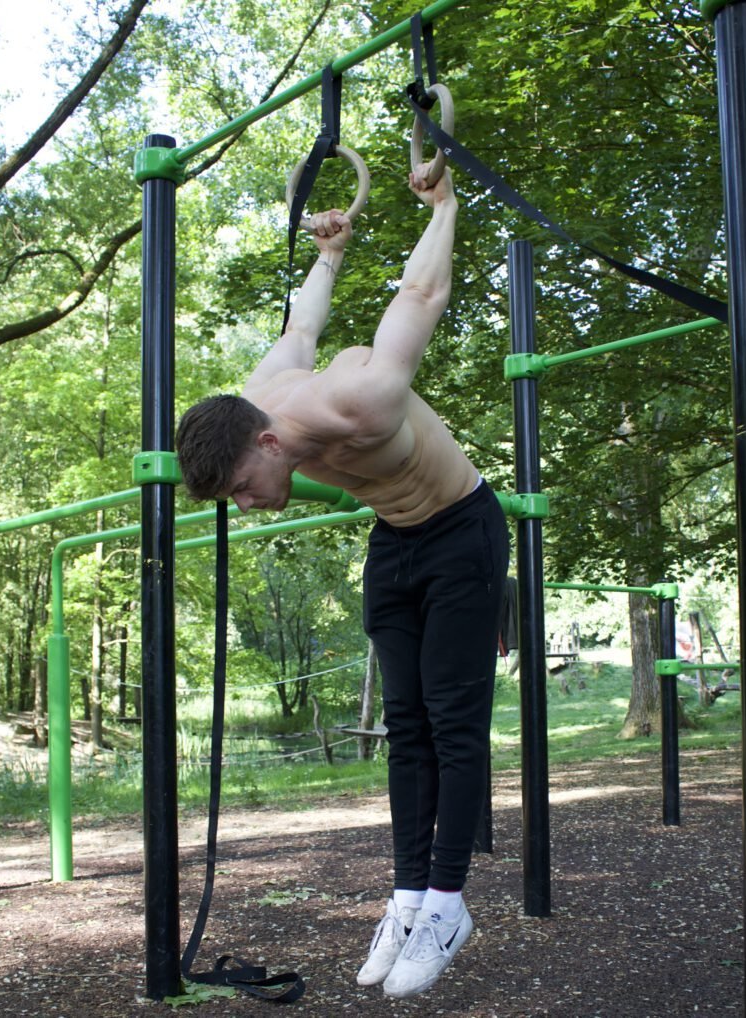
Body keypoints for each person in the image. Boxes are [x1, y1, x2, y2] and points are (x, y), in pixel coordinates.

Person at [176, 164, 509, 1000]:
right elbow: (299, 327)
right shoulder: (258, 395)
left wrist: (443, 205)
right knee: (406, 725)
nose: (251, 506)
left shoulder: (357, 398)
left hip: (462, 529)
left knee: (452, 723)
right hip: (394, 542)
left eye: (246, 488)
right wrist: (330, 252)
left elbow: (423, 299)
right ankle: (404, 901)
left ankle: (446, 906)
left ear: (269, 446)